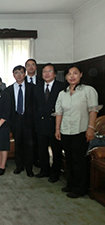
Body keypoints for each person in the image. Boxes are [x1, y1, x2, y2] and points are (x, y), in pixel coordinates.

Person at [54, 65, 102, 198]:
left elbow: (93, 110)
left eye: (75, 73)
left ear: (81, 74)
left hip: (81, 130)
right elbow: (59, 112)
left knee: (79, 160)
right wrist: (57, 129)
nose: (72, 76)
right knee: (69, 159)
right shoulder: (62, 93)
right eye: (69, 74)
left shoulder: (88, 90)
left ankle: (81, 188)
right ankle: (71, 183)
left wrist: (91, 129)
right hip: (65, 131)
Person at [33, 63, 63, 183]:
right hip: (40, 123)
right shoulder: (37, 87)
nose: (46, 73)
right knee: (42, 149)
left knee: (56, 150)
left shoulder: (61, 87)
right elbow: (34, 106)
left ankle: (55, 173)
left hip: (55, 123)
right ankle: (44, 170)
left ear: (55, 74)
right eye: (44, 71)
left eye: (49, 71)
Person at [6, 65, 34, 177]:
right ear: (13, 75)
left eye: (21, 72)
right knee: (18, 145)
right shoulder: (8, 90)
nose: (19, 75)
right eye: (16, 73)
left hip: (29, 120)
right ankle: (19, 166)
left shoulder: (32, 88)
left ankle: (29, 168)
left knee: (29, 145)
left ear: (25, 74)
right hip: (16, 120)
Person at [25, 58, 41, 168]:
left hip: (40, 116)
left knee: (38, 140)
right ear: (26, 68)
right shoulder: (21, 81)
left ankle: (37, 159)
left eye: (33, 65)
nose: (31, 67)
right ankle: (27, 161)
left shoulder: (42, 81)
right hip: (26, 117)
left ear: (36, 67)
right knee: (27, 140)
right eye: (28, 65)